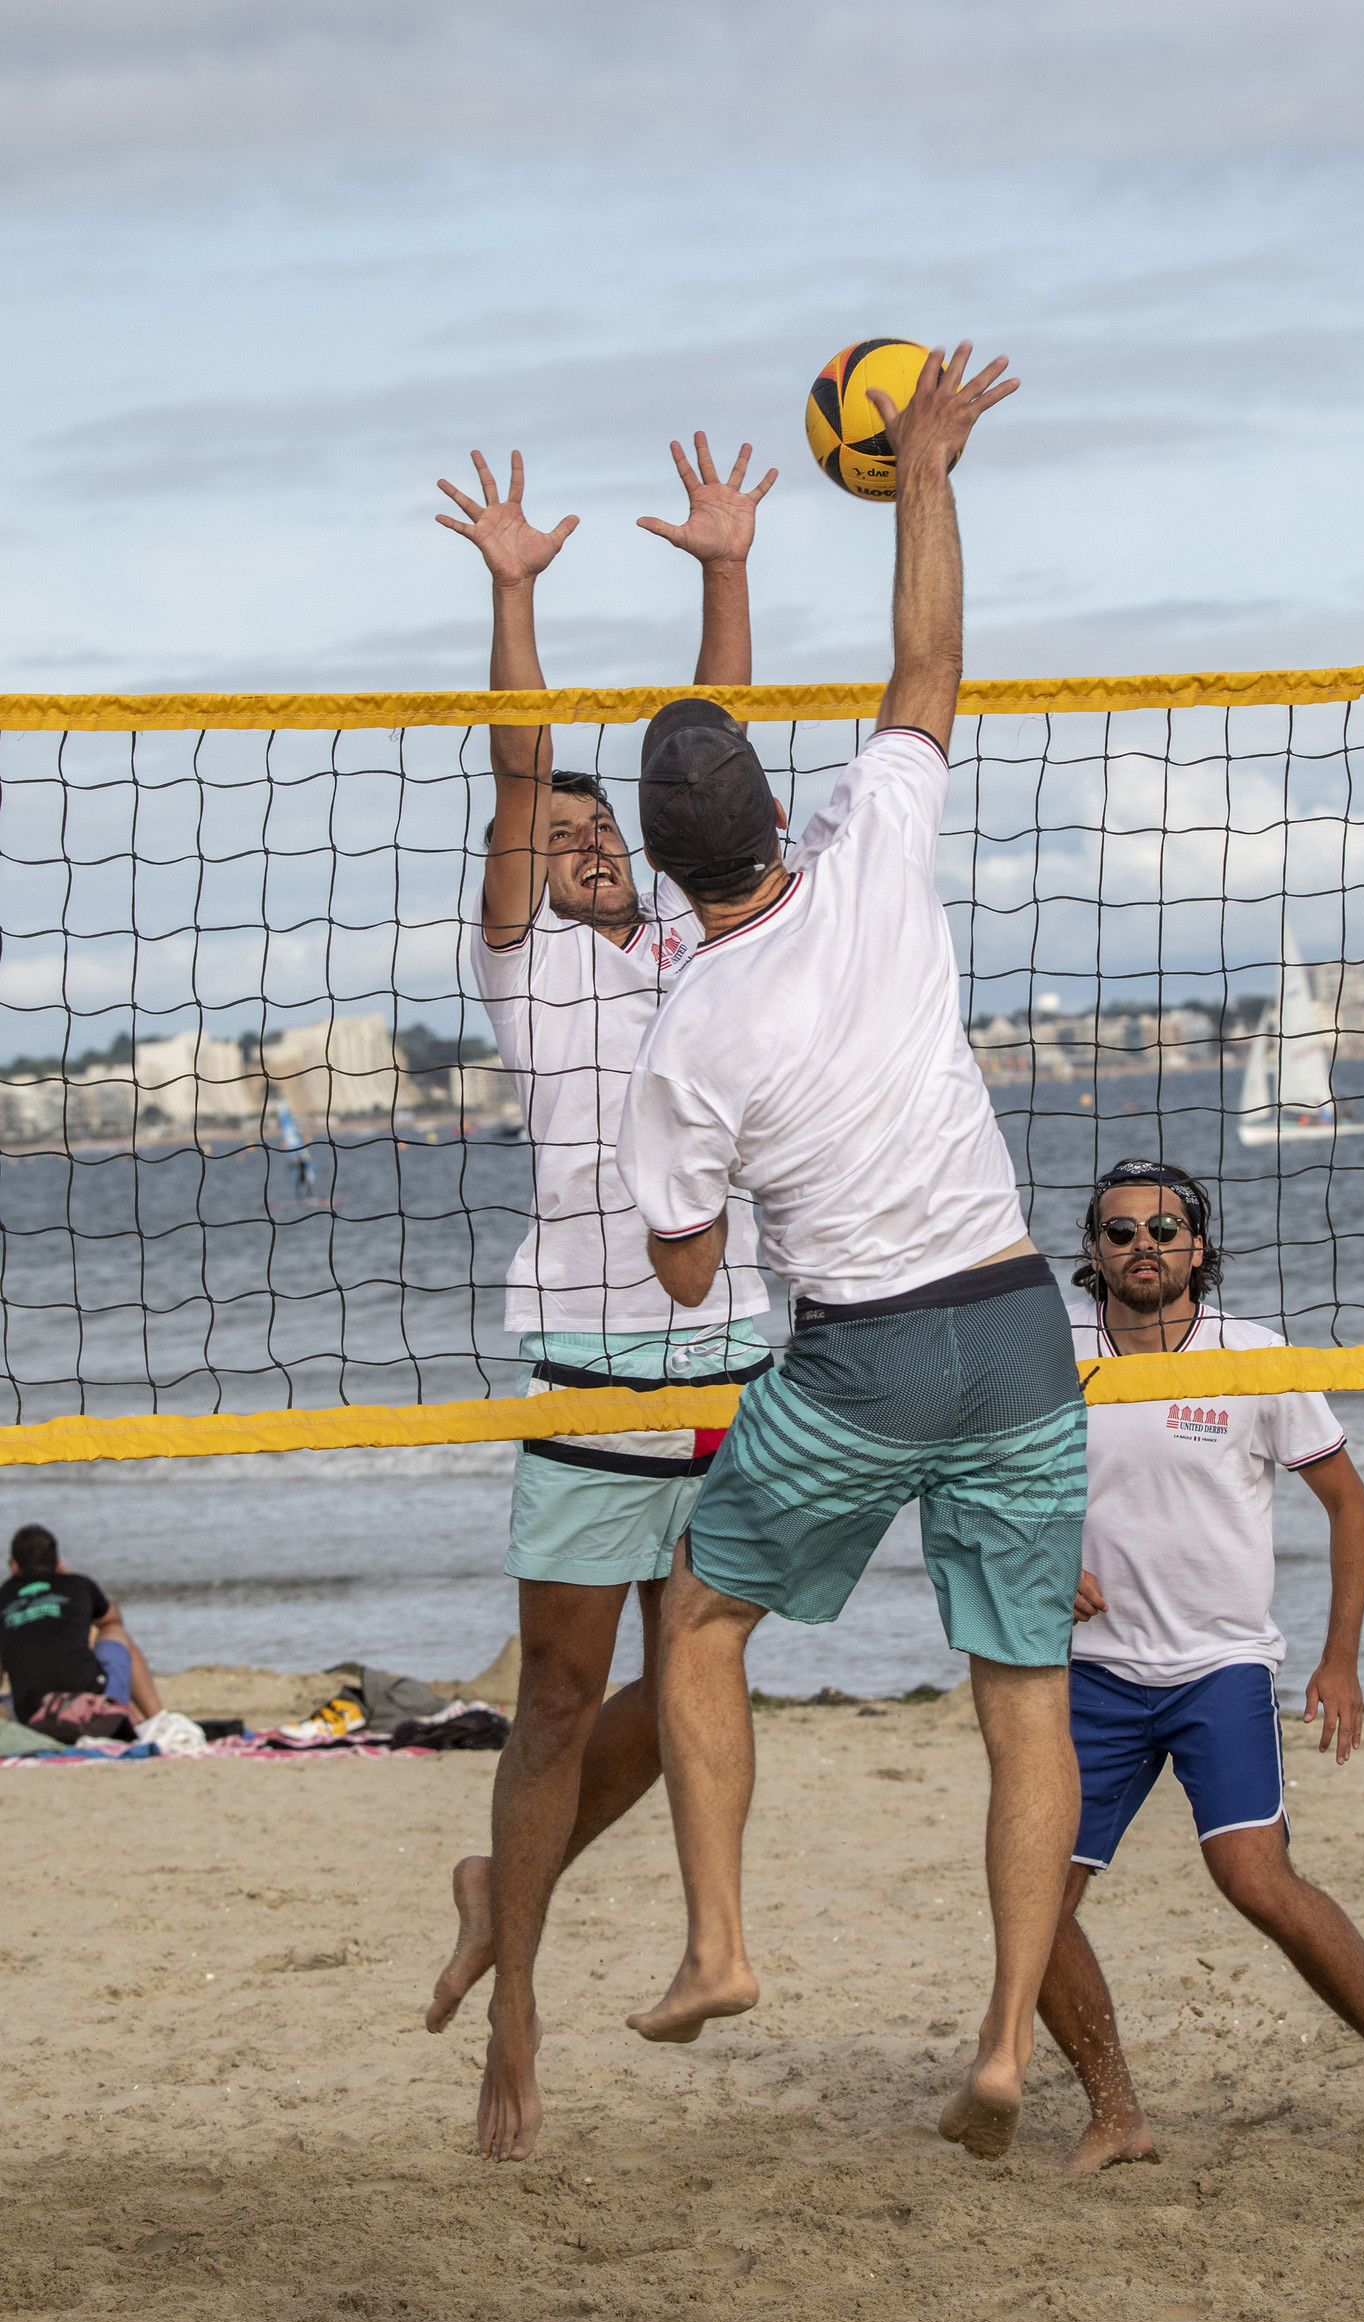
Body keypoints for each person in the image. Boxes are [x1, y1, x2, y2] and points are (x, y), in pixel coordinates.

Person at [615, 345, 1088, 2164]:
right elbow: (926, 663)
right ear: (771, 805)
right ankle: (998, 2050)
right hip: (1021, 1329)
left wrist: (717, 1170)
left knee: (703, 1616)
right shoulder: (878, 844)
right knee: (1020, 1699)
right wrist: (934, 465)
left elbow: (678, 1277)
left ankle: (722, 1945)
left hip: (867, 1353)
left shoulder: (687, 1029)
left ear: (665, 870)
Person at [426, 433, 778, 2162]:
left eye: (593, 825)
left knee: (699, 1676)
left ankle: (524, 1876)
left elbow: (711, 754)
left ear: (638, 853)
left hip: (729, 1354)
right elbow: (515, 774)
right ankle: (521, 2004)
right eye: (550, 825)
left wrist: (724, 567)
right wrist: (515, 591)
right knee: (561, 1697)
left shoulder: (699, 941)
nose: (572, 838)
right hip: (582, 1363)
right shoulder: (529, 969)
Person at [1037, 1159, 1364, 2171]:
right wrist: (1039, 1558)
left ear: (1197, 1242)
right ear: (1092, 1254)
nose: (1145, 1244)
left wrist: (1340, 1658)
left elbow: (1349, 1504)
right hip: (1092, 1670)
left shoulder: (1252, 1353)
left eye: (1165, 1227)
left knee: (1254, 1879)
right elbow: (979, 1483)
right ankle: (1116, 2112)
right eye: (1121, 1231)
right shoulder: (1051, 1356)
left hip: (1218, 1663)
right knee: (1035, 1899)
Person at [0, 1524, 162, 1731]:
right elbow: (112, 1619)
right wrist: (67, 1578)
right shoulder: (78, 1584)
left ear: (14, 1567)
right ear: (57, 1563)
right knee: (113, 1631)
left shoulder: (3, 1595)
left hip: (33, 1713)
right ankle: (157, 1719)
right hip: (93, 1709)